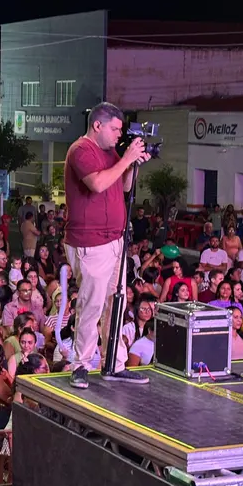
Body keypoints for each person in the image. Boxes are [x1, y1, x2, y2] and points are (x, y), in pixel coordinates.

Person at [63, 102, 150, 388]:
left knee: (117, 300)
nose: (119, 134)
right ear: (97, 125)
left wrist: (132, 165)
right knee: (92, 304)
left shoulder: (110, 151)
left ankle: (114, 362)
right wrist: (126, 159)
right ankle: (80, 365)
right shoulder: (81, 150)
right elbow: (97, 184)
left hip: (115, 240)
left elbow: (122, 187)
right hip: (90, 242)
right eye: (115, 129)